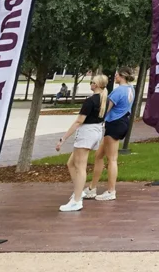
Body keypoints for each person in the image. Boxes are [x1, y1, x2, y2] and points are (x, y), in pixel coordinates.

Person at [54, 74, 109, 212]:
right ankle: (78, 192)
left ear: (95, 85)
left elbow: (79, 121)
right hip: (96, 132)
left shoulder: (90, 101)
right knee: (71, 163)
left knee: (80, 166)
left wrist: (63, 138)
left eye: (92, 82)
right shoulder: (104, 100)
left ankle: (77, 200)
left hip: (87, 133)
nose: (90, 84)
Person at [90, 67, 135, 201]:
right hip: (122, 122)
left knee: (112, 159)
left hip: (115, 124)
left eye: (116, 75)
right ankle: (92, 188)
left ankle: (111, 190)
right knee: (98, 155)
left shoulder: (118, 91)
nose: (114, 77)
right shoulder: (130, 89)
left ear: (122, 76)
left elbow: (105, 110)